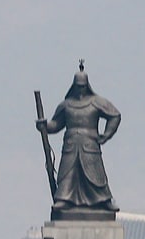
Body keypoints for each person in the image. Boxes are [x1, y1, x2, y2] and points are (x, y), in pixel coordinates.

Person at [37, 62, 122, 214]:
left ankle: (104, 200)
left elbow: (115, 115)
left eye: (83, 86)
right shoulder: (66, 105)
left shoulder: (96, 102)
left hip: (90, 144)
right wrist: (44, 126)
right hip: (70, 144)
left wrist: (106, 135)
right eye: (78, 86)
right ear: (74, 86)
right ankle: (64, 199)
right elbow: (56, 124)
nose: (80, 90)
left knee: (95, 174)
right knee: (67, 174)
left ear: (87, 86)